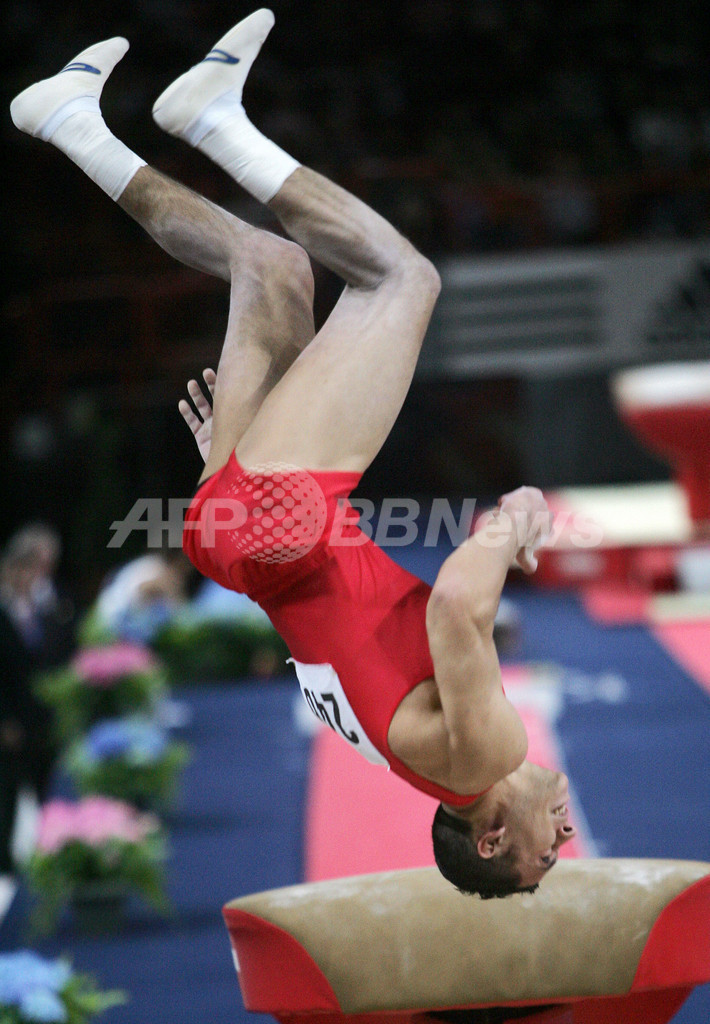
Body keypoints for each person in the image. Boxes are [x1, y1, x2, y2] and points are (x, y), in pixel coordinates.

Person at [11, 9, 575, 897]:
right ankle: (69, 122)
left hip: (279, 526)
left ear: (497, 840)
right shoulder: (425, 767)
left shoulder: (485, 758)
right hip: (241, 547)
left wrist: (522, 514)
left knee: (401, 278)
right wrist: (232, 485)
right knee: (269, 268)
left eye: (550, 853)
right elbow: (343, 635)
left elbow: (460, 608)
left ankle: (213, 121)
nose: (566, 835)